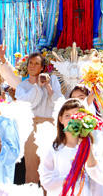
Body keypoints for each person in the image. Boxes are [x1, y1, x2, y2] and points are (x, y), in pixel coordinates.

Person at [39, 99, 103, 196]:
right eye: (67, 116)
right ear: (60, 119)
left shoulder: (92, 148)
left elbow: (99, 180)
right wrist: (68, 179)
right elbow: (46, 181)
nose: (72, 119)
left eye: (76, 115)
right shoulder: (53, 149)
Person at [15, 52, 63, 183]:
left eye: (36, 63)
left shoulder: (52, 80)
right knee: (32, 166)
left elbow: (59, 101)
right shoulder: (22, 86)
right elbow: (27, 103)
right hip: (32, 128)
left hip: (50, 126)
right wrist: (37, 86)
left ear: (42, 67)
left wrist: (47, 86)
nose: (32, 66)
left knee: (50, 167)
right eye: (30, 63)